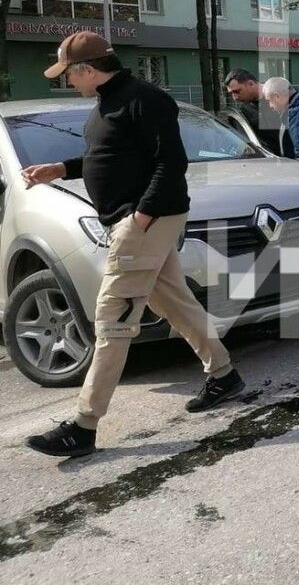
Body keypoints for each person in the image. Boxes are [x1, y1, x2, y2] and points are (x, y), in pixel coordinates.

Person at [22, 33, 244, 458]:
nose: (67, 81)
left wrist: (139, 219)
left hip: (145, 220)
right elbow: (115, 156)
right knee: (175, 304)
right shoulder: (107, 103)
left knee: (112, 317)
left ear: (86, 69)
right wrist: (61, 168)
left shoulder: (145, 98)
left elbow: (170, 162)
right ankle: (224, 375)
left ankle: (84, 426)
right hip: (138, 221)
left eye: (67, 74)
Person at [224, 68, 282, 154]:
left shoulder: (281, 97)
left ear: (251, 83)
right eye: (231, 93)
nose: (235, 98)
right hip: (269, 160)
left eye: (237, 91)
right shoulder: (243, 111)